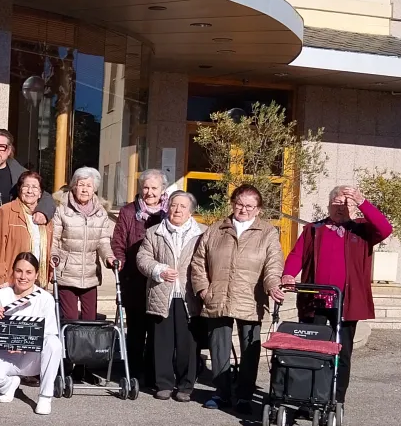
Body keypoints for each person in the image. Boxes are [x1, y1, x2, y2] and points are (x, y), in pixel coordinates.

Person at [281, 185, 393, 405]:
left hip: (346, 303)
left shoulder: (362, 229)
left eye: (347, 203)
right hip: (315, 301)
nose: (341, 207)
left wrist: (362, 201)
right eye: (337, 203)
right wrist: (288, 274)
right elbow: (297, 255)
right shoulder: (314, 229)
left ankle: (336, 399)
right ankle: (307, 397)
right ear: (329, 204)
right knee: (312, 350)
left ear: (354, 207)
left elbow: (385, 229)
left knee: (342, 352)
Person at [190, 184, 285, 412]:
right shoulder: (216, 229)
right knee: (218, 347)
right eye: (240, 204)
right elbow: (198, 262)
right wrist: (203, 289)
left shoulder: (268, 233)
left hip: (250, 298)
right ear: (233, 203)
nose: (243, 209)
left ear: (258, 209)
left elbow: (273, 264)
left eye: (250, 206)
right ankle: (221, 393)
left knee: (250, 349)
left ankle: (244, 396)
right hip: (218, 296)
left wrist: (272, 285)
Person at [137, 191, 205, 401]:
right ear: (168, 208)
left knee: (188, 343)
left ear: (191, 211)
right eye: (174, 205)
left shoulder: (203, 233)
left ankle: (185, 386)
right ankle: (163, 384)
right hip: (161, 293)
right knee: (162, 342)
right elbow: (142, 258)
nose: (177, 210)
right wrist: (159, 270)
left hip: (189, 295)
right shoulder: (154, 232)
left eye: (183, 206)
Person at [0, 253, 62, 415]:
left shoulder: (45, 298)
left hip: (32, 358)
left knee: (54, 343)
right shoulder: (0, 295)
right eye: (19, 271)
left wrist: (25, 345)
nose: (23, 277)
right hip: (5, 354)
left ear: (36, 275)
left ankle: (45, 396)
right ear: (13, 272)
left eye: (29, 272)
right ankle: (9, 385)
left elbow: (50, 333)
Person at [111, 168, 169, 385]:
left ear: (163, 189)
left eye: (154, 188)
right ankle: (133, 373)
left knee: (157, 330)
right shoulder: (128, 211)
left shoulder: (168, 212)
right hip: (134, 278)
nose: (149, 192)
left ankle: (154, 374)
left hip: (160, 281)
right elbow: (118, 241)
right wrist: (119, 261)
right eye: (146, 187)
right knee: (136, 329)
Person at [51, 167, 117, 321]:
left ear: (95, 189)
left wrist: (109, 257)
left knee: (90, 319)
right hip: (66, 273)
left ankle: (86, 339)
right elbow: (54, 238)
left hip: (90, 273)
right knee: (70, 318)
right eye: (81, 184)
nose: (85, 189)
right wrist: (53, 255)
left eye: (89, 185)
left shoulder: (101, 212)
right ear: (74, 186)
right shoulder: (61, 208)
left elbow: (103, 241)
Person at [0, 171, 53, 290]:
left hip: (37, 283)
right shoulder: (6, 211)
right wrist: (2, 278)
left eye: (35, 187)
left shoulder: (45, 219)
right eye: (26, 186)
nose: (30, 191)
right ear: (19, 190)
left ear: (40, 194)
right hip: (10, 282)